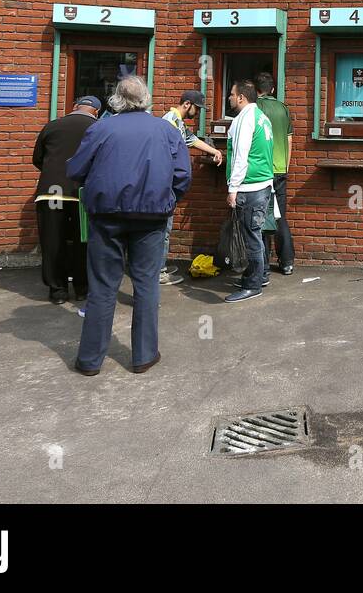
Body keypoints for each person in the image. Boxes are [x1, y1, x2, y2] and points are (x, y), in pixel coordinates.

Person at [68, 76, 190, 375]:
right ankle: (144, 356)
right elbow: (182, 175)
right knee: (147, 284)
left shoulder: (100, 128)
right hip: (151, 217)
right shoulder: (166, 130)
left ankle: (90, 360)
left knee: (103, 286)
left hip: (106, 215)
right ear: (146, 99)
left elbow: (75, 169)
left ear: (116, 100)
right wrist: (167, 198)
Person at [31, 96, 100, 304]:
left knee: (52, 241)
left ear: (74, 107)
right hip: (82, 193)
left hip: (51, 191)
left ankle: (57, 290)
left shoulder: (52, 126)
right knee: (83, 241)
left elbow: (37, 158)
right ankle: (82, 288)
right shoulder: (98, 128)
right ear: (95, 112)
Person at [159, 90, 223, 286]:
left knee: (166, 228)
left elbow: (191, 139)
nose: (198, 112)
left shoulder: (177, 121)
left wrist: (214, 151)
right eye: (197, 108)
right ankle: (159, 271)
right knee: (163, 228)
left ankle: (159, 265)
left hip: (169, 182)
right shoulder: (170, 121)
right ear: (187, 104)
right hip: (164, 183)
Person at [223, 80, 276, 303]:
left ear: (242, 98)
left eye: (232, 95)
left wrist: (233, 188)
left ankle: (253, 285)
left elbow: (240, 156)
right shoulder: (262, 117)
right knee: (258, 234)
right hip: (262, 184)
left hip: (249, 187)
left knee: (251, 238)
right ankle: (257, 276)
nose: (229, 98)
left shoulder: (245, 119)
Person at [255, 72, 295, 277]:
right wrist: (285, 167)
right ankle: (287, 261)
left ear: (256, 89)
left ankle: (263, 264)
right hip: (280, 169)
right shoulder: (283, 108)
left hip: (261, 171)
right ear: (272, 89)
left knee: (260, 217)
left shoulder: (255, 108)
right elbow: (289, 140)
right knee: (279, 216)